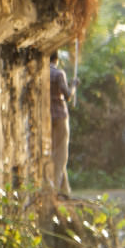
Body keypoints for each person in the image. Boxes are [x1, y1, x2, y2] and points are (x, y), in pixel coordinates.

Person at [50, 52, 73, 196]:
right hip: (60, 116)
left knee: (56, 151)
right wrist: (74, 85)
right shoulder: (59, 73)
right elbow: (68, 95)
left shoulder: (43, 72)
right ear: (56, 59)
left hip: (49, 117)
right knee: (62, 154)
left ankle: (65, 191)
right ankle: (56, 191)